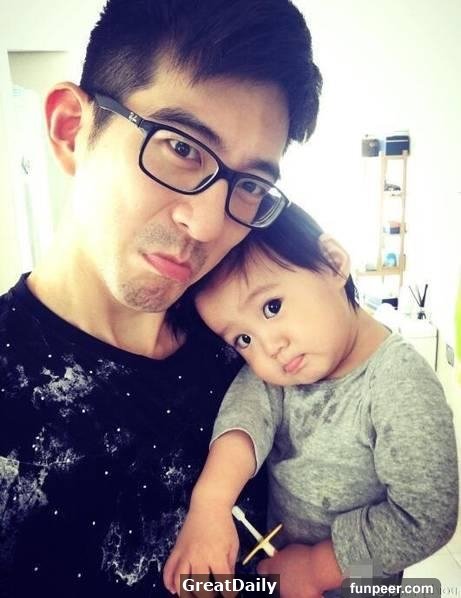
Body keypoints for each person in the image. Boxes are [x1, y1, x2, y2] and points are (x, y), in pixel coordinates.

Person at [0, 0, 323, 595]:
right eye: (181, 148)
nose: (207, 224)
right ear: (71, 130)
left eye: (251, 185)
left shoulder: (258, 353)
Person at [163, 203, 459, 597]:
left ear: (333, 263)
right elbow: (243, 421)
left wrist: (319, 568)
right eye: (243, 339)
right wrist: (210, 504)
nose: (269, 347)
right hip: (279, 573)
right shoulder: (284, 370)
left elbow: (426, 517)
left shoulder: (399, 382)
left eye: (272, 307)